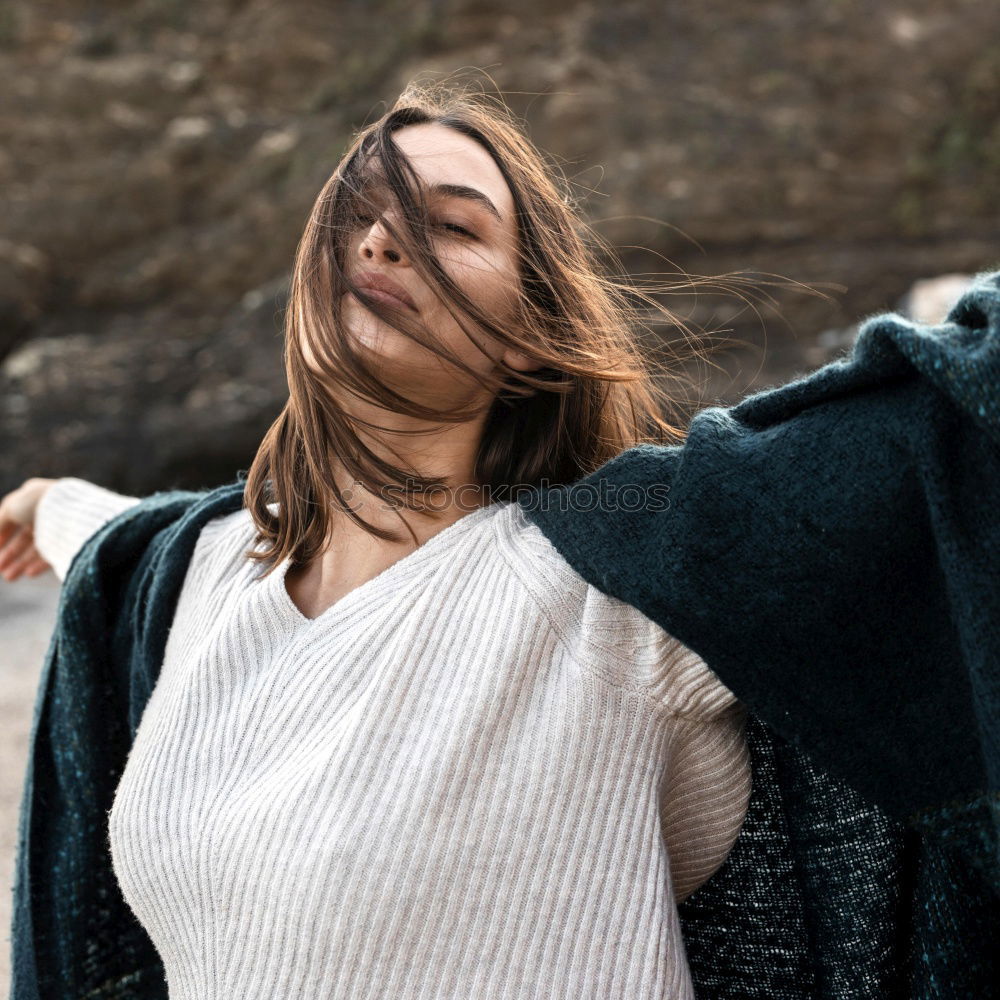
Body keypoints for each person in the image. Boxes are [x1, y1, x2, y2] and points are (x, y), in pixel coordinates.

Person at [0, 81, 757, 999]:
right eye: (355, 216)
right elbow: (122, 534)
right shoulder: (202, 569)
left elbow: (919, 494)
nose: (380, 238)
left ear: (530, 334)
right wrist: (46, 501)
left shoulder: (615, 594)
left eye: (453, 227)